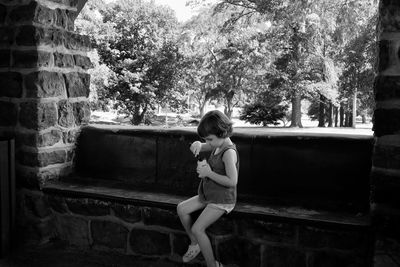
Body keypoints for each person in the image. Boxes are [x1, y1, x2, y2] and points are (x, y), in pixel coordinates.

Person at [177, 110, 239, 267]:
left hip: (222, 199)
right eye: (205, 139)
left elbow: (232, 181)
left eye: (209, 139)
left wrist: (209, 173)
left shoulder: (228, 153)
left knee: (198, 228)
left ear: (223, 133)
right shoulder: (217, 144)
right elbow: (207, 145)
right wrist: (199, 144)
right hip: (209, 193)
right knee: (182, 209)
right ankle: (194, 243)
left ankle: (213, 265)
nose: (208, 143)